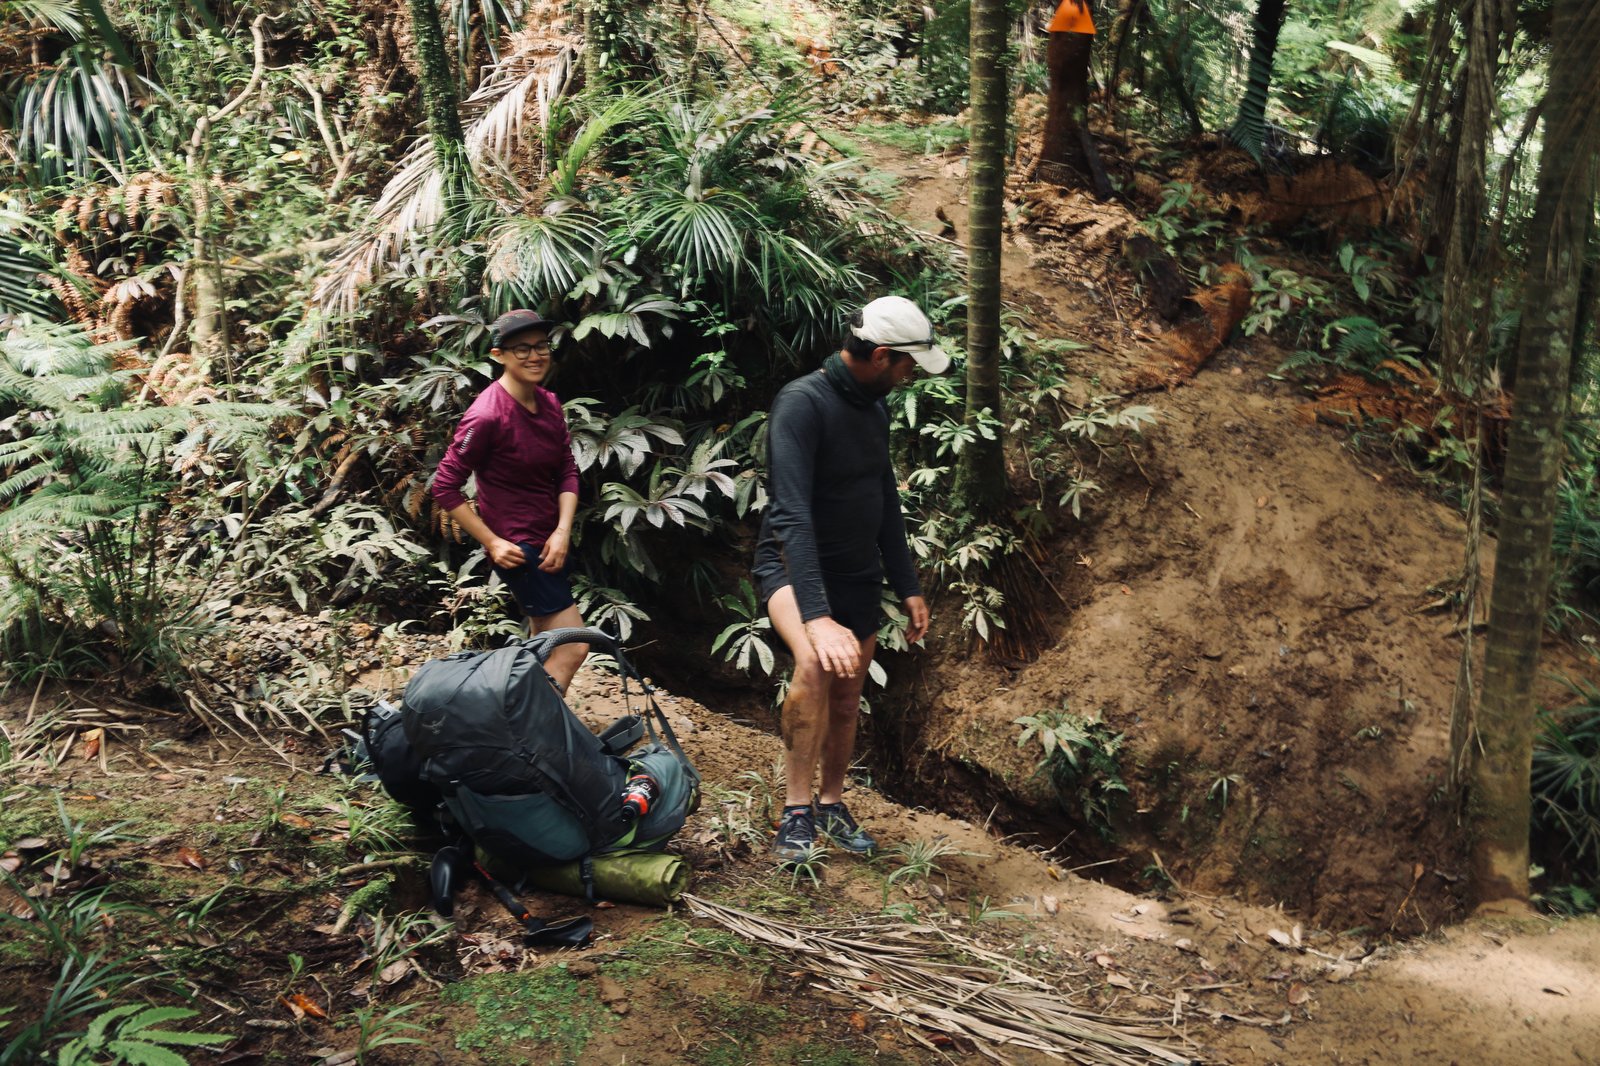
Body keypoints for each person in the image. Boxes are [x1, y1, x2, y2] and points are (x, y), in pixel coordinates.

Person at [753, 296, 948, 862]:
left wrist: (906, 582)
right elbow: (789, 513)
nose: (909, 377)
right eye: (908, 365)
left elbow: (883, 495)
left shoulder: (874, 406)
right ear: (882, 355)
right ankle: (794, 813)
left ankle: (830, 804)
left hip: (857, 570)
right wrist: (817, 617)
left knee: (847, 696)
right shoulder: (801, 404)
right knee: (814, 665)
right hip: (793, 566)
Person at [431, 309, 588, 691]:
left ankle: (515, 730)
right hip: (521, 548)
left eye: (541, 346)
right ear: (498, 355)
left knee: (543, 644)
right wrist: (492, 542)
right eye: (521, 349)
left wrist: (563, 530)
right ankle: (537, 736)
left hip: (551, 541)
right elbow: (444, 486)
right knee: (573, 647)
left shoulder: (549, 403)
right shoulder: (486, 415)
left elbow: (566, 469)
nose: (534, 356)